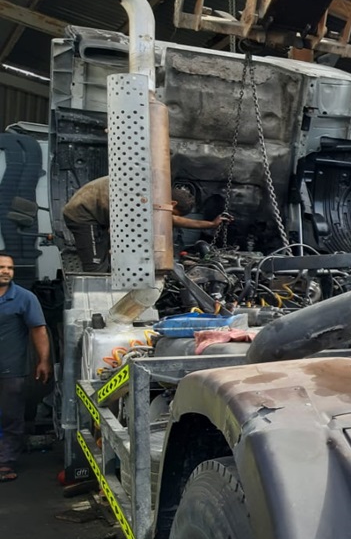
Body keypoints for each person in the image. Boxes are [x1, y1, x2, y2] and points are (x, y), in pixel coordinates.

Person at [63, 176, 230, 272]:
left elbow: (174, 220)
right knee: (95, 268)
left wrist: (211, 224)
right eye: (173, 212)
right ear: (172, 204)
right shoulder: (143, 198)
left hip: (100, 216)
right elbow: (119, 229)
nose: (169, 217)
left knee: (107, 265)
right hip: (83, 214)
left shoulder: (158, 198)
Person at [0, 253, 50, 482]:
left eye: (10, 268)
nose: (6, 271)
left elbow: (38, 329)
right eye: (1, 267)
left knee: (10, 416)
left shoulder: (24, 298)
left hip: (10, 369)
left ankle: (5, 462)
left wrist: (43, 360)